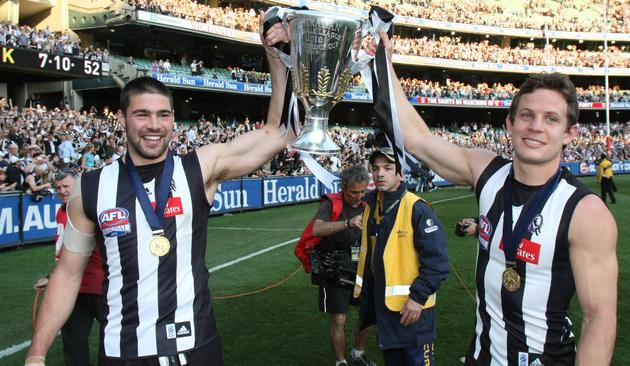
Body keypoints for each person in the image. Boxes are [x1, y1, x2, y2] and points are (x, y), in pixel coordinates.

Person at [25, 15, 292, 366]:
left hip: (195, 346)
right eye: (142, 115)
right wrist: (36, 354)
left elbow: (278, 132)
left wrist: (276, 53)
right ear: (121, 119)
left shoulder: (200, 168)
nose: (155, 125)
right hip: (123, 352)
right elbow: (68, 274)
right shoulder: (89, 189)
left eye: (164, 115)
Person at [366, 32, 617, 365]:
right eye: (526, 115)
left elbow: (599, 319)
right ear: (510, 123)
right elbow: (416, 139)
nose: (535, 127)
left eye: (551, 119)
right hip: (482, 357)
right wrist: (384, 64)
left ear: (570, 133)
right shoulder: (487, 172)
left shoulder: (586, 212)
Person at [353, 148, 449, 366]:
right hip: (387, 314)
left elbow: (438, 264)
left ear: (401, 174)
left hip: (414, 313)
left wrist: (417, 298)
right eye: (375, 168)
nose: (380, 174)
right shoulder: (371, 208)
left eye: (388, 168)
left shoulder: (418, 209)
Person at [33, 169, 105, 366]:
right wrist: (52, 277)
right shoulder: (61, 212)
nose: (62, 191)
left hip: (100, 286)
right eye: (58, 188)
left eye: (66, 186)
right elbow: (65, 256)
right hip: (73, 290)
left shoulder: (91, 208)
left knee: (113, 342)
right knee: (73, 342)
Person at [311, 166, 375, 366]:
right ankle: (341, 362)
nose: (359, 196)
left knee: (367, 314)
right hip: (335, 268)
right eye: (354, 192)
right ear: (343, 188)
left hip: (362, 266)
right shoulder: (331, 204)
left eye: (363, 191)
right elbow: (317, 229)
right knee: (339, 319)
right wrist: (347, 223)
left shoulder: (369, 204)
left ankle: (357, 353)